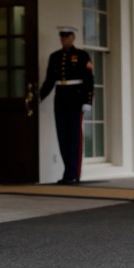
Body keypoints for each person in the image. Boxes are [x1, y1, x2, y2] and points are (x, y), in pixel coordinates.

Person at [39, 26, 94, 185]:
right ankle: (67, 172)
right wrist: (39, 98)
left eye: (67, 36)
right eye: (61, 36)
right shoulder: (55, 56)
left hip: (76, 99)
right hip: (61, 98)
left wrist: (87, 101)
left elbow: (89, 79)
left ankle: (74, 173)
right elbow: (50, 80)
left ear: (73, 37)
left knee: (74, 138)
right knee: (63, 137)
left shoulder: (82, 55)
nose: (63, 39)